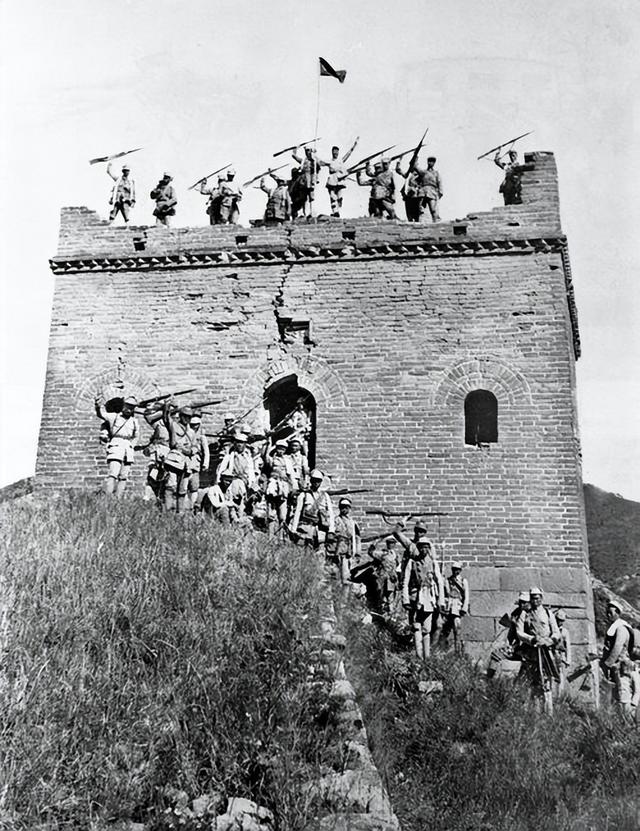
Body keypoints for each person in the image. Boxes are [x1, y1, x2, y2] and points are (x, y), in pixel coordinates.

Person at [395, 526, 445, 661]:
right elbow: (405, 581)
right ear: (418, 548)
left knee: (427, 628)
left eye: (426, 547)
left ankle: (427, 658)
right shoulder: (412, 562)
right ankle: (418, 656)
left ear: (429, 549)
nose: (424, 550)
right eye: (421, 547)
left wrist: (441, 600)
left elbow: (439, 581)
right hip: (415, 596)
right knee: (416, 625)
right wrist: (405, 599)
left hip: (429, 597)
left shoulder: (433, 563)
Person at [516, 587, 560, 713]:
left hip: (547, 652)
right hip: (532, 652)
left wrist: (550, 640)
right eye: (533, 598)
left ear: (541, 598)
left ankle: (548, 712)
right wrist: (531, 639)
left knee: (547, 681)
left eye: (537, 598)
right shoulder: (525, 613)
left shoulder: (548, 613)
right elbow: (519, 632)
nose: (535, 601)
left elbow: (556, 631)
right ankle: (533, 712)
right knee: (532, 681)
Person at [94, 395, 140, 497]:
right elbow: (101, 414)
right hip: (116, 446)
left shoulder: (134, 421)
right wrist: (97, 406)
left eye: (132, 407)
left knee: (124, 476)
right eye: (127, 406)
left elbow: (136, 436)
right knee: (113, 474)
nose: (129, 409)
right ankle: (108, 498)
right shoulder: (114, 416)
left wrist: (132, 446)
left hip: (128, 448)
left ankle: (118, 499)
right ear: (123, 406)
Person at [162, 404, 198, 513]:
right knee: (170, 486)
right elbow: (166, 418)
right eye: (185, 416)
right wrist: (167, 406)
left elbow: (195, 447)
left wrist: (190, 451)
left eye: (189, 417)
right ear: (181, 416)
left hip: (186, 462)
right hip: (174, 459)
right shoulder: (174, 425)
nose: (187, 419)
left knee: (182, 490)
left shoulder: (191, 432)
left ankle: (180, 513)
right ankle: (168, 512)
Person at [487, 591, 531, 678]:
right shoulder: (516, 613)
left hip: (528, 648)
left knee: (526, 664)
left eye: (525, 602)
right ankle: (489, 678)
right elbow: (511, 634)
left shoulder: (532, 615)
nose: (522, 605)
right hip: (517, 647)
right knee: (496, 654)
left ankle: (521, 680)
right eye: (521, 602)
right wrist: (509, 644)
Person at [289, 469, 335, 551]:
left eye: (318, 481)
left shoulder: (325, 496)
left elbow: (330, 514)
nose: (316, 483)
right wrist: (293, 529)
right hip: (305, 529)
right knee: (305, 552)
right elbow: (297, 512)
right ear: (311, 480)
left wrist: (331, 530)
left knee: (320, 553)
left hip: (320, 531)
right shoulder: (304, 495)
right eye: (314, 480)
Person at [601, 599, 632, 707]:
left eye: (611, 613)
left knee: (623, 694)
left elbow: (617, 648)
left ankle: (627, 717)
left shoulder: (621, 628)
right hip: (616, 666)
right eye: (607, 612)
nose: (608, 615)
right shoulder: (615, 627)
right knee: (617, 694)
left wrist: (607, 663)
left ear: (618, 613)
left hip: (621, 666)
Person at [262, 438, 296, 530]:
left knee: (282, 514)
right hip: (273, 485)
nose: (281, 451)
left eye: (283, 449)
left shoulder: (287, 461)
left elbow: (291, 475)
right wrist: (268, 445)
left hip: (283, 487)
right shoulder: (272, 459)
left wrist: (293, 487)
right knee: (271, 513)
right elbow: (265, 456)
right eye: (279, 448)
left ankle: (281, 534)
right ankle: (270, 534)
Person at [327, 497, 361, 585]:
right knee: (335, 577)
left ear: (349, 508)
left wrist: (357, 553)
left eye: (346, 507)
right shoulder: (335, 521)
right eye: (342, 507)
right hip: (336, 553)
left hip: (347, 554)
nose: (344, 509)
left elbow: (357, 538)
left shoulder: (353, 523)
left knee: (346, 578)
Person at [142, 404, 171, 503]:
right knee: (153, 474)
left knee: (164, 476)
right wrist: (163, 411)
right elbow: (147, 415)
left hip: (167, 450)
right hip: (158, 450)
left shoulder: (172, 422)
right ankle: (148, 497)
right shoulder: (157, 422)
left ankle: (161, 498)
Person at [216, 430, 257, 497]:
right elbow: (221, 469)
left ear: (245, 444)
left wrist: (251, 484)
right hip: (232, 482)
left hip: (244, 482)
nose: (239, 445)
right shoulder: (229, 456)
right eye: (238, 442)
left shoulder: (248, 458)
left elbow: (251, 472)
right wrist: (218, 481)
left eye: (241, 443)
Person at [441, 561, 469, 655]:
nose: (456, 571)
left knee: (457, 629)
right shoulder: (448, 580)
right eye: (454, 569)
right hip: (449, 606)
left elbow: (466, 596)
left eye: (457, 570)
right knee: (444, 629)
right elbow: (445, 593)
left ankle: (458, 651)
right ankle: (442, 650)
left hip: (457, 607)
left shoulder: (463, 581)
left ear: (460, 570)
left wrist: (464, 608)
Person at [324, 144, 356, 218]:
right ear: (332, 152)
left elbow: (347, 155)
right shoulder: (329, 161)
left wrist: (353, 147)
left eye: (337, 152)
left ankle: (338, 211)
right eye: (334, 151)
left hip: (339, 179)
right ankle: (335, 212)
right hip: (332, 180)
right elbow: (321, 162)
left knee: (339, 197)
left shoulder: (340, 161)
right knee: (332, 197)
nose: (335, 153)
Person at [186, 411, 210, 510]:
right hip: (185, 463)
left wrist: (205, 464)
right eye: (192, 425)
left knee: (194, 486)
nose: (194, 427)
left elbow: (206, 451)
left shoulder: (201, 437)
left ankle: (192, 506)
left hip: (196, 463)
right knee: (184, 485)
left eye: (196, 425)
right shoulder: (186, 434)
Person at [292, 146, 321, 217]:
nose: (307, 152)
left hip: (311, 180)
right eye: (306, 151)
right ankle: (305, 212)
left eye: (308, 151)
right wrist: (294, 151)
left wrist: (314, 154)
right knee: (303, 197)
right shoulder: (303, 161)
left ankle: (311, 212)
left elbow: (318, 166)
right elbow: (295, 157)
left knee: (311, 196)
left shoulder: (314, 160)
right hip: (304, 180)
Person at [616, 659, 640, 725]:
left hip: (628, 702)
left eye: (625, 666)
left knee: (629, 721)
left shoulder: (633, 675)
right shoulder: (619, 675)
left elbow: (637, 690)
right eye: (623, 666)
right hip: (620, 700)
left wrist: (634, 703)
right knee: (620, 721)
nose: (624, 668)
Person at [554, 609, 572, 694]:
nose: (559, 622)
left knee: (560, 675)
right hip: (552, 654)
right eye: (558, 620)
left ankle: (559, 694)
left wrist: (568, 660)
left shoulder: (564, 632)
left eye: (561, 621)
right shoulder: (551, 629)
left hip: (560, 657)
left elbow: (567, 646)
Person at [421, 156, 443, 222]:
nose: (430, 163)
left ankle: (435, 222)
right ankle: (420, 223)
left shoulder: (436, 173)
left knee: (433, 209)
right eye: (429, 161)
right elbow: (414, 167)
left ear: (434, 163)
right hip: (423, 192)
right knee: (420, 209)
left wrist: (440, 192)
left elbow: (439, 182)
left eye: (432, 162)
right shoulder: (423, 172)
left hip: (432, 192)